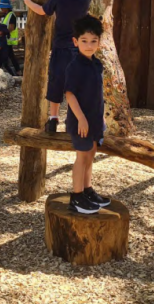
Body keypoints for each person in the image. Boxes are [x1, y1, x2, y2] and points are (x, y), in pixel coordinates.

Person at [24, 0, 95, 134]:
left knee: (56, 83)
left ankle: (53, 119)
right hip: (79, 49)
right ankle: (76, 120)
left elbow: (41, 11)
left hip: (60, 49)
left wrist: (27, 2)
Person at [64, 14, 111, 214]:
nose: (89, 45)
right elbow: (70, 94)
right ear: (76, 42)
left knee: (91, 155)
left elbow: (97, 94)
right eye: (84, 41)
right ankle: (76, 197)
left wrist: (100, 118)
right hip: (80, 122)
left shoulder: (97, 64)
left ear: (99, 43)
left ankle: (87, 190)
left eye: (93, 41)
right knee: (81, 157)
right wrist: (81, 118)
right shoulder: (75, 66)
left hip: (94, 121)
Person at [0, 0, 21, 75]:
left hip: (8, 39)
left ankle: (12, 75)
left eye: (2, 7)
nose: (1, 9)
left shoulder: (11, 15)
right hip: (6, 39)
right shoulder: (7, 15)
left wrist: (3, 32)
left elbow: (11, 27)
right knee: (11, 56)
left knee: (4, 60)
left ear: (6, 7)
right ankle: (18, 71)